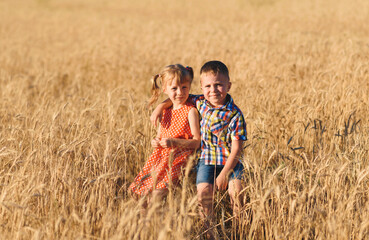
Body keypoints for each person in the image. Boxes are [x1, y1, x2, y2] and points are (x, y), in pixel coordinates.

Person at [151, 61, 247, 235]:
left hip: (232, 163)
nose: (213, 90)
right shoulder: (201, 102)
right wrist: (160, 106)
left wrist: (225, 173)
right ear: (201, 87)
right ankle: (208, 232)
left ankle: (239, 232)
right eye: (208, 86)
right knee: (204, 197)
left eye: (219, 85)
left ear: (228, 86)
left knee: (237, 194)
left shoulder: (235, 114)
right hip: (206, 161)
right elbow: (177, 97)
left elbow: (237, 149)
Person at [129, 64, 201, 205]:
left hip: (178, 160)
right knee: (138, 194)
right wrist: (155, 142)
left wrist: (174, 142)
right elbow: (160, 135)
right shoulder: (165, 112)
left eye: (184, 87)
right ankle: (148, 225)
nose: (180, 92)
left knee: (155, 196)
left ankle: (157, 223)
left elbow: (197, 141)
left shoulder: (190, 111)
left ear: (189, 87)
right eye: (174, 88)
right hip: (159, 158)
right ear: (165, 90)